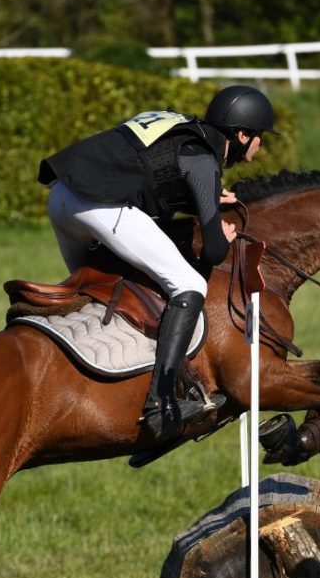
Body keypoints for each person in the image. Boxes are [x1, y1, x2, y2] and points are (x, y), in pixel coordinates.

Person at [37, 85, 278, 443]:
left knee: (97, 284)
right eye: (260, 137)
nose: (260, 145)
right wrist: (221, 235)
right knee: (189, 284)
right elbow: (212, 250)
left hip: (62, 197)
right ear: (243, 135)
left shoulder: (182, 129)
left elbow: (153, 177)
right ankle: (161, 403)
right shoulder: (202, 158)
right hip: (98, 204)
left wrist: (203, 197)